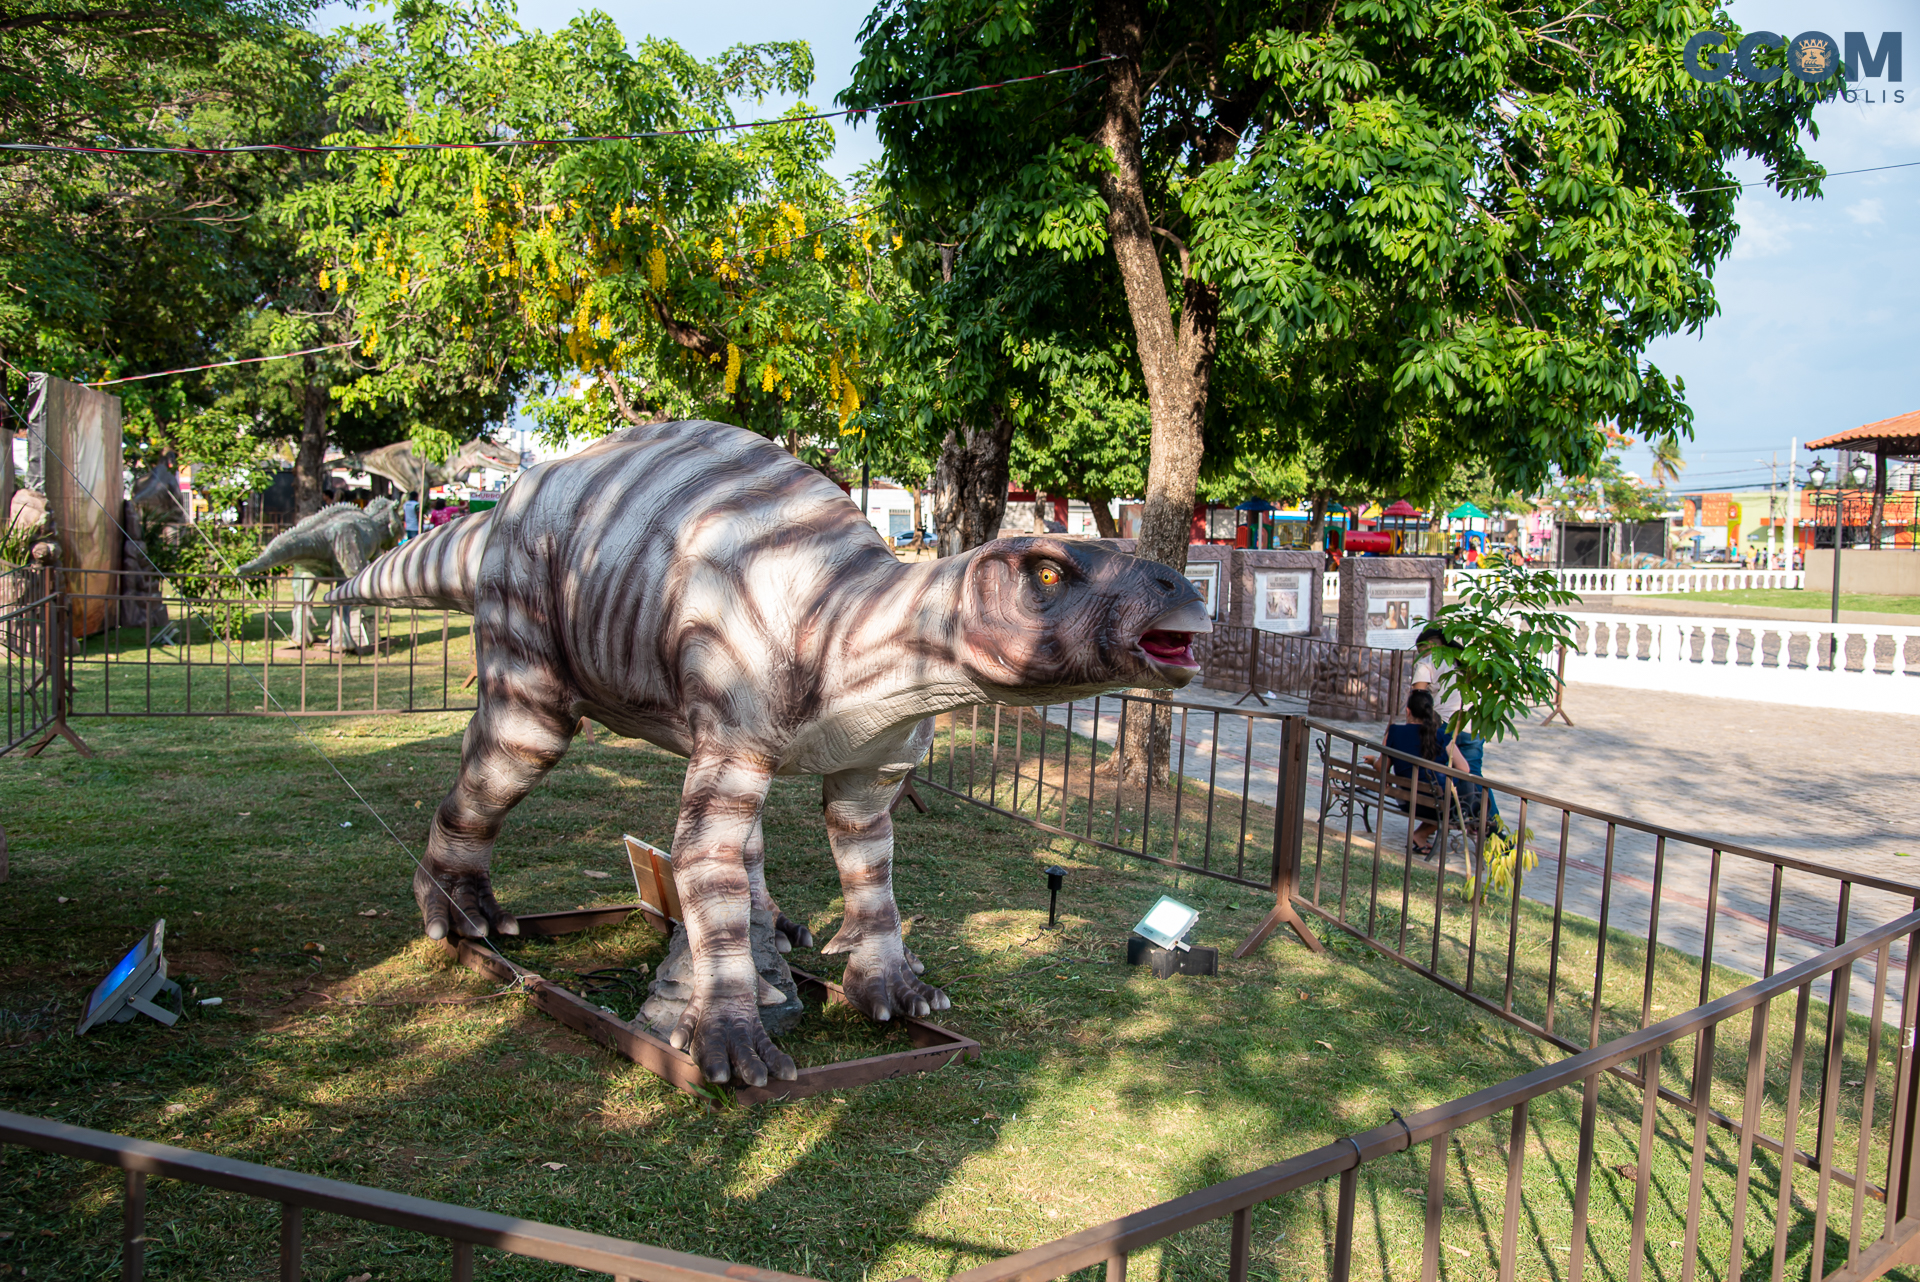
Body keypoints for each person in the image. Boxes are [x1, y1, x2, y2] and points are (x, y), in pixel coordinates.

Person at [1411, 624, 1499, 821]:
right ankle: (1492, 828)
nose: (1419, 656)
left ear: (1430, 645)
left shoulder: (1427, 662)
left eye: (1420, 651)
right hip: (1472, 726)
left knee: (1439, 775)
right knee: (1473, 774)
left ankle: (1446, 820)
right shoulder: (1469, 661)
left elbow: (1417, 696)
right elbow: (1492, 689)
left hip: (1442, 726)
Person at [1371, 689, 1473, 857]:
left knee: (1440, 798)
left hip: (1405, 801)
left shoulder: (1394, 732)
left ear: (1408, 711)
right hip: (1438, 806)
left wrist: (1373, 761)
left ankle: (1420, 834)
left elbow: (1383, 767)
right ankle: (1420, 834)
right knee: (1463, 796)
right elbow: (1465, 769)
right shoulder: (1441, 735)